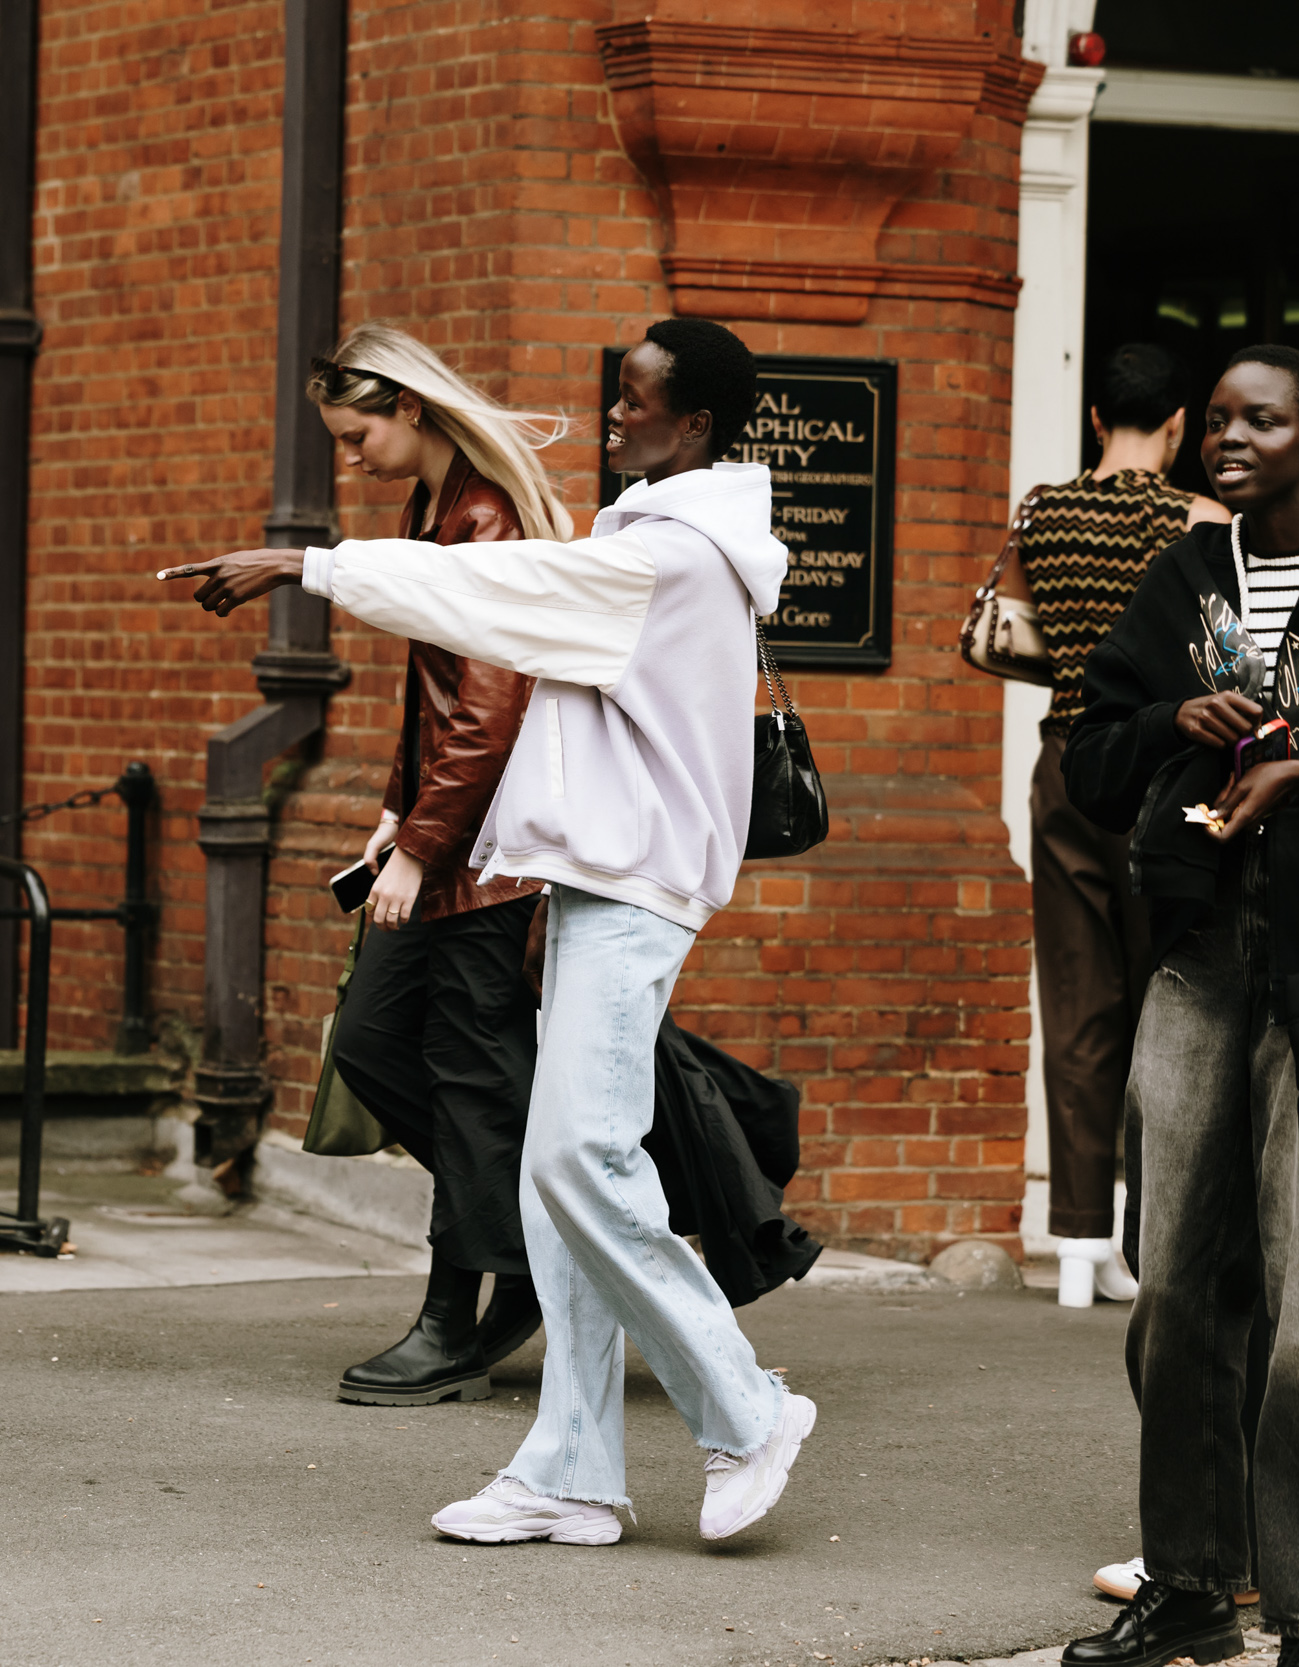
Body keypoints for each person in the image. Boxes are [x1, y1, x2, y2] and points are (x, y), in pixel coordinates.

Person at [166, 317, 815, 1548]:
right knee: (557, 1171)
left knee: (576, 1159)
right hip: (588, 876)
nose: (613, 419)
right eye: (614, 396)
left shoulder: (673, 554)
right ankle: (571, 1470)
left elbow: (495, 592)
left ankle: (745, 1406)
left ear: (699, 428)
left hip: (634, 885)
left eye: (637, 405)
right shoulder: (646, 534)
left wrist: (306, 566)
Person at [1061, 344, 1299, 1667]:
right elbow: (1095, 756)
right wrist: (1178, 710)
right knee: (1176, 1279)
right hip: (1197, 958)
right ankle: (1186, 1582)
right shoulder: (1184, 576)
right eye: (1217, 417)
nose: (1229, 437)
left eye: (1262, 420)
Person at [304, 323, 574, 1406]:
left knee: (469, 1080)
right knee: (372, 1047)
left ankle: (450, 1319)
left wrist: (419, 848)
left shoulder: (485, 515)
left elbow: (492, 703)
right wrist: (389, 808)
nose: (350, 452)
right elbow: (433, 695)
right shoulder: (436, 504)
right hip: (451, 837)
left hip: (491, 858)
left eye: (358, 430)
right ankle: (522, 1246)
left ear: (409, 409)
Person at [1020, 344, 1229, 1309]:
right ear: (1180, 423)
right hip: (1162, 767)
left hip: (1065, 763)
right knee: (1166, 1000)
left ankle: (1073, 1242)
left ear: (1097, 419)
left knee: (1076, 1000)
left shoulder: (1042, 513)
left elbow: (1007, 633)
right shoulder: (1198, 522)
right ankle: (1152, 1233)